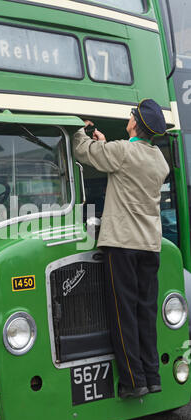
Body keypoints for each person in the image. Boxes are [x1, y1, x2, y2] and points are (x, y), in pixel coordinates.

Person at [72, 99, 169, 399]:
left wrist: (81, 129)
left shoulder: (123, 152)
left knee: (122, 312)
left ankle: (132, 381)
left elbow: (83, 151)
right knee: (145, 312)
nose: (127, 117)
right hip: (149, 246)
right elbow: (123, 158)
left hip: (122, 245)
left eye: (130, 115)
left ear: (134, 124)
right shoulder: (160, 161)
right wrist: (107, 143)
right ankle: (153, 376)